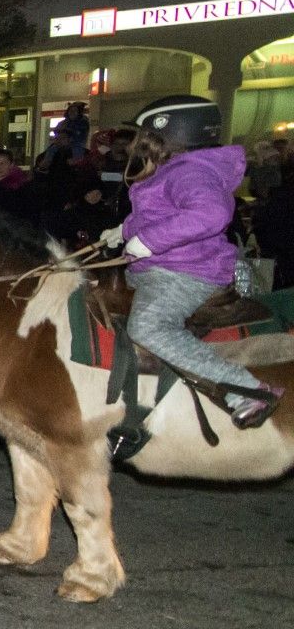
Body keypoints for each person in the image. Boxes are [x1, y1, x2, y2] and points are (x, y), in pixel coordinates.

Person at [104, 96, 281, 431]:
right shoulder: (172, 170)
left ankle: (246, 389)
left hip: (186, 272)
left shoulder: (192, 172)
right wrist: (123, 230)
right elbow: (156, 213)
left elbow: (210, 214)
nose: (136, 144)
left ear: (167, 135)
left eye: (143, 136)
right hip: (157, 268)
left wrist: (150, 241)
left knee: (149, 326)